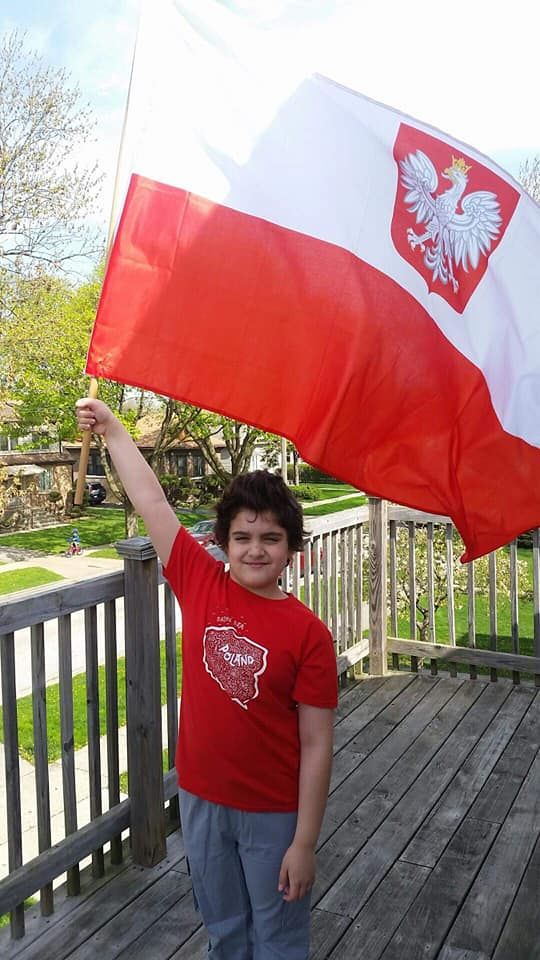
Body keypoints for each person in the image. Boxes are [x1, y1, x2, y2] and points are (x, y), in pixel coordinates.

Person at [76, 398, 337, 960]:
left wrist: (305, 842)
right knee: (225, 932)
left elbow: (317, 744)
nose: (255, 549)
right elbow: (152, 500)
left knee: (278, 940)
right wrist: (114, 429)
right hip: (201, 800)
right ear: (223, 541)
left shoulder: (309, 634)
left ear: (291, 549)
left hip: (273, 813)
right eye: (242, 537)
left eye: (271, 538)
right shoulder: (201, 582)